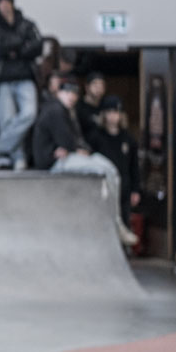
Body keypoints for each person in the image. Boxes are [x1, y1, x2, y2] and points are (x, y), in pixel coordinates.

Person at [32, 80, 140, 246]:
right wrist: (72, 149)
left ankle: (117, 221)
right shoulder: (55, 109)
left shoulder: (68, 111)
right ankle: (115, 223)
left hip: (66, 157)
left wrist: (76, 148)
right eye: (68, 93)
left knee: (110, 168)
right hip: (53, 162)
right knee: (104, 170)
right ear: (59, 93)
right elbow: (67, 140)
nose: (71, 97)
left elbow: (77, 140)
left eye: (74, 94)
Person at [0, 0, 42, 170]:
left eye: (7, 1)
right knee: (7, 121)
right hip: (3, 79)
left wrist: (14, 48)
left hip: (25, 77)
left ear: (13, 3)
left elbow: (37, 46)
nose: (4, 5)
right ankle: (15, 157)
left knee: (29, 114)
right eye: (1, 2)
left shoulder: (26, 24)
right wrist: (20, 44)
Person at [88, 95, 142, 225]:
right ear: (104, 115)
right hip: (103, 188)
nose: (113, 116)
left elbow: (134, 166)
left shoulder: (128, 139)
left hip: (124, 187)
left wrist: (135, 190)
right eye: (109, 112)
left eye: (116, 112)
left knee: (124, 222)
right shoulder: (95, 138)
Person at [75, 71, 106, 142]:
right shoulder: (78, 106)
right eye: (95, 84)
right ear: (87, 87)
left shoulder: (106, 105)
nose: (99, 88)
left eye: (101, 85)